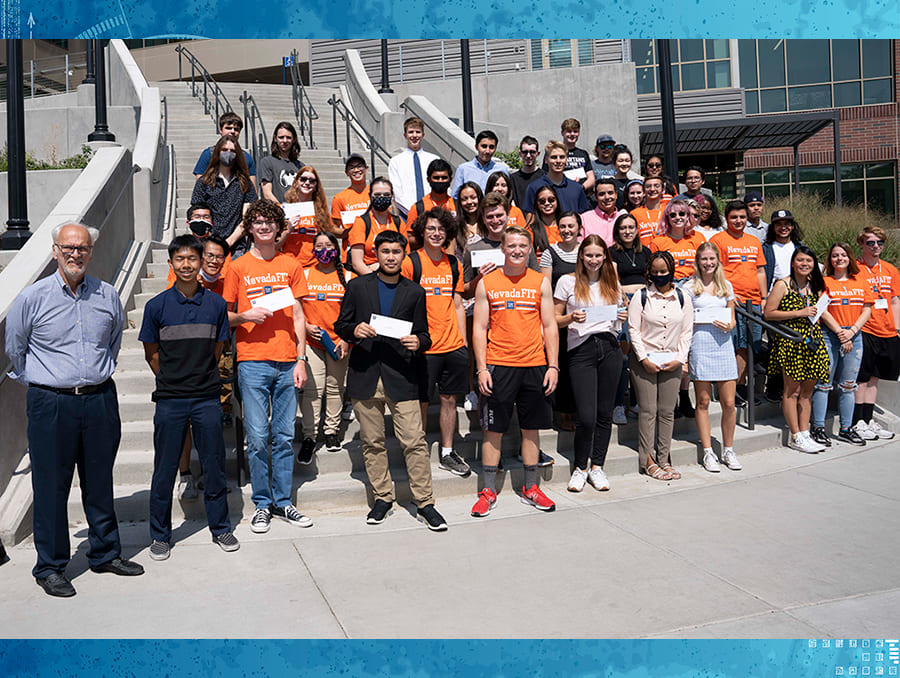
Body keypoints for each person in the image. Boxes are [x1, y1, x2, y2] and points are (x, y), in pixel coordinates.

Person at [6, 223, 144, 597]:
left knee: (99, 481)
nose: (75, 254)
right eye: (68, 247)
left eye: (82, 248)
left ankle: (105, 552)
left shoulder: (107, 295)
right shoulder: (31, 299)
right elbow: (16, 349)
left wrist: (92, 377)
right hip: (51, 403)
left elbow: (112, 344)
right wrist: (49, 380)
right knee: (50, 487)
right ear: (54, 251)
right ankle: (50, 566)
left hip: (99, 399)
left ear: (91, 252)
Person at [334, 230, 448, 531]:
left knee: (414, 441)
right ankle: (383, 499)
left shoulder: (414, 292)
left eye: (397, 252)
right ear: (376, 253)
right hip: (366, 374)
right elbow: (341, 323)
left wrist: (418, 342)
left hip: (402, 375)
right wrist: (354, 330)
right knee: (372, 442)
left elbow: (424, 333)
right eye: (385, 252)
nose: (391, 257)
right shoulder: (358, 287)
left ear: (404, 255)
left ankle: (425, 503)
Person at [140, 235, 237, 561]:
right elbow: (151, 355)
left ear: (200, 263)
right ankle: (160, 536)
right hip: (170, 399)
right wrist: (174, 379)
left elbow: (217, 349)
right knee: (164, 469)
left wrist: (198, 377)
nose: (186, 264)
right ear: (171, 264)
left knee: (213, 465)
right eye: (179, 259)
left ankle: (221, 527)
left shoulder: (215, 305)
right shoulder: (156, 307)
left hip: (207, 396)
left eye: (192, 259)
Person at [222, 200, 313, 533]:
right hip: (252, 361)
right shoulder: (237, 266)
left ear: (278, 228)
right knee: (258, 437)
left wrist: (302, 358)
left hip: (289, 360)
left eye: (269, 222)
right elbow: (225, 315)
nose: (263, 227)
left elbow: (301, 315)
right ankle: (262, 503)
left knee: (285, 436)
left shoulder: (290, 263)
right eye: (257, 222)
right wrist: (244, 316)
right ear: (250, 227)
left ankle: (283, 501)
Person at [471, 226, 559, 516]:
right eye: (512, 246)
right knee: (492, 430)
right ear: (503, 249)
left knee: (531, 429)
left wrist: (553, 365)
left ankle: (530, 487)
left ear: (531, 249)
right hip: (498, 365)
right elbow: (479, 328)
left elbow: (549, 326)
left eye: (523, 245)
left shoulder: (540, 281)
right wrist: (482, 368)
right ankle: (487, 490)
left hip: (534, 365)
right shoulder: (487, 282)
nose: (517, 250)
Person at [401, 208, 471, 478]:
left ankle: (447, 452)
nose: (436, 233)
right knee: (421, 401)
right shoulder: (411, 263)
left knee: (450, 400)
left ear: (448, 233)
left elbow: (457, 303)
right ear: (422, 231)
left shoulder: (453, 263)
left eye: (441, 229)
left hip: (452, 344)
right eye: (431, 228)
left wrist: (462, 341)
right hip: (424, 346)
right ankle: (417, 453)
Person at [554, 234, 626, 492]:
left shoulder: (611, 283)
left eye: (598, 255)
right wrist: (571, 317)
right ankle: (580, 467)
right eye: (589, 255)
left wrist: (622, 316)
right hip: (581, 350)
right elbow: (553, 319)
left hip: (609, 347)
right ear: (581, 257)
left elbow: (617, 321)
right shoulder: (566, 282)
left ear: (605, 257)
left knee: (605, 413)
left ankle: (597, 466)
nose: (594, 260)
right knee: (586, 416)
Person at [627, 251, 693, 481]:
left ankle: (664, 458)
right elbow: (633, 329)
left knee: (667, 412)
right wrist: (643, 358)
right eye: (654, 272)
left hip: (671, 359)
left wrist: (680, 359)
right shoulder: (641, 296)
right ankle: (647, 459)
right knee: (648, 411)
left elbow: (686, 331)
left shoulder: (683, 297)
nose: (659, 276)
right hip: (644, 359)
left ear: (671, 271)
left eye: (663, 272)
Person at [764, 246, 831, 454]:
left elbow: (822, 311)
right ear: (793, 262)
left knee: (807, 393)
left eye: (809, 261)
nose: (804, 264)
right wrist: (799, 312)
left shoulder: (815, 285)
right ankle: (795, 436)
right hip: (790, 341)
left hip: (813, 341)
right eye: (800, 260)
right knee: (791, 391)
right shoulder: (783, 284)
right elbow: (769, 313)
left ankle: (805, 433)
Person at [810, 242, 873, 447]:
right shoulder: (824, 282)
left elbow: (867, 310)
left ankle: (846, 428)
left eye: (843, 255)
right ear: (830, 259)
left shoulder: (860, 281)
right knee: (823, 384)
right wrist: (839, 332)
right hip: (830, 334)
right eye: (835, 255)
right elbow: (822, 310)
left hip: (854, 335)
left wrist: (852, 332)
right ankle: (818, 427)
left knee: (848, 386)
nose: (839, 259)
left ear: (850, 258)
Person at [297, 231, 354, 460]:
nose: (323, 250)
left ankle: (331, 431)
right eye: (318, 246)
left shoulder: (348, 277)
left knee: (334, 387)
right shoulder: (305, 274)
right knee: (313, 389)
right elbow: (296, 307)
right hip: (312, 341)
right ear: (312, 249)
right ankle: (310, 436)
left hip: (338, 342)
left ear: (337, 248)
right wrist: (307, 326)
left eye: (328, 245)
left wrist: (347, 339)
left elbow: (355, 312)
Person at [685, 243, 740, 472]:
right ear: (698, 261)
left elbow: (733, 318)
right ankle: (708, 451)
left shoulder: (725, 285)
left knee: (729, 403)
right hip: (701, 345)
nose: (708, 263)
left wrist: (730, 325)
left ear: (717, 260)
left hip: (723, 345)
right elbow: (686, 320)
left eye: (712, 259)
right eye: (704, 259)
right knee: (704, 402)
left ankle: (728, 449)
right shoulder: (689, 288)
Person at [711, 201, 767, 407]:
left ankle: (742, 388)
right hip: (732, 302)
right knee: (733, 347)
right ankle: (730, 390)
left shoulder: (754, 241)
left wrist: (764, 298)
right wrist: (729, 297)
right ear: (727, 218)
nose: (739, 221)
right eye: (734, 217)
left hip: (754, 303)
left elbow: (760, 271)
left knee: (749, 347)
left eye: (742, 217)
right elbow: (716, 272)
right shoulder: (719, 240)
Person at [853, 225, 900, 440]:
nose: (875, 246)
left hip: (887, 330)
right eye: (870, 242)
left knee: (875, 379)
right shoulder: (855, 269)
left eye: (879, 242)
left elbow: (894, 301)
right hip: (865, 329)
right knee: (861, 378)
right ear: (861, 244)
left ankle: (869, 420)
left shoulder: (890, 270)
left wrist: (897, 329)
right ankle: (857, 421)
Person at [541, 212, 583, 432]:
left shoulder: (586, 251)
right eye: (563, 226)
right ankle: (564, 414)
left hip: (585, 318)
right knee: (563, 365)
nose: (567, 230)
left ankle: (579, 410)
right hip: (560, 317)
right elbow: (545, 286)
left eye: (571, 226)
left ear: (579, 228)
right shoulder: (550, 253)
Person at [609, 213, 652, 424]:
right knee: (624, 354)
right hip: (624, 303)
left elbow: (650, 278)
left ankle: (637, 402)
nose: (627, 231)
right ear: (617, 231)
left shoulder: (645, 252)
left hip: (645, 303)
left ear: (637, 230)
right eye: (623, 228)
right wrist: (623, 296)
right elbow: (613, 280)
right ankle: (619, 405)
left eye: (631, 227)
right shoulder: (612, 252)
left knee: (641, 352)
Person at [190, 135, 258, 257]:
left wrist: (229, 241)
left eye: (232, 151)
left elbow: (248, 217)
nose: (228, 153)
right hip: (208, 245)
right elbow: (196, 214)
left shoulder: (245, 183)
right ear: (217, 153)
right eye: (224, 150)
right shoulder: (204, 182)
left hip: (236, 246)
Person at [348, 177, 405, 275]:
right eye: (377, 195)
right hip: (370, 275)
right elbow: (357, 263)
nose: (382, 197)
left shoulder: (398, 222)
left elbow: (405, 257)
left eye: (386, 195)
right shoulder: (361, 222)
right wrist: (377, 280)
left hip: (395, 275)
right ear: (370, 196)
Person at [280, 165, 335, 268]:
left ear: (316, 187)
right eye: (303, 179)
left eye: (312, 181)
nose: (307, 183)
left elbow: (330, 237)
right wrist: (288, 229)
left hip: (314, 266)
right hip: (288, 265)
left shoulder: (321, 212)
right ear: (296, 182)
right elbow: (275, 245)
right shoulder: (284, 210)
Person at [388, 116, 441, 218]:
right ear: (405, 135)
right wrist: (414, 212)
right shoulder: (395, 162)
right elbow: (396, 191)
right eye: (411, 132)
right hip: (406, 215)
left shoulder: (434, 159)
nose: (414, 135)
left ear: (423, 135)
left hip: (432, 213)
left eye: (418, 132)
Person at [193, 111, 257, 191]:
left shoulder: (246, 157)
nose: (232, 132)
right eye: (228, 128)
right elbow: (199, 188)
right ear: (220, 129)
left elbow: (253, 189)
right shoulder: (208, 154)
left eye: (236, 129)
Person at [523, 140, 590, 215]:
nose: (558, 161)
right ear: (546, 160)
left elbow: (583, 217)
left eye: (562, 157)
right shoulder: (534, 187)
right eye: (554, 157)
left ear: (566, 160)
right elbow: (530, 218)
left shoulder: (577, 188)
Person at [649, 199, 706, 283]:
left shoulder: (698, 237)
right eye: (673, 215)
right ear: (667, 218)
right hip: (670, 283)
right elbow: (651, 270)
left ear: (687, 217)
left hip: (694, 282)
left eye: (682, 214)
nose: (678, 217)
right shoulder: (658, 242)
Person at [541, 118, 594, 196]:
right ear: (562, 133)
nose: (572, 134)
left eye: (575, 131)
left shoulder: (583, 153)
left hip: (581, 194)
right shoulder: (554, 153)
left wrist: (580, 188)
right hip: (560, 193)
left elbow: (591, 178)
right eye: (569, 131)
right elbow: (545, 175)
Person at [450, 129, 510, 198]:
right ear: (476, 147)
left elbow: (507, 196)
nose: (487, 151)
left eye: (491, 147)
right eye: (484, 146)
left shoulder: (502, 170)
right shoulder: (463, 169)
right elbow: (455, 196)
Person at [404, 158, 457, 232]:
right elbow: (409, 236)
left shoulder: (458, 206)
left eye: (444, 178)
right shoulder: (418, 208)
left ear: (450, 180)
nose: (440, 181)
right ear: (428, 180)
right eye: (436, 178)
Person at [258, 121, 302, 204]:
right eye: (281, 137)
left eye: (288, 137)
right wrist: (282, 211)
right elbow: (267, 194)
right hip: (277, 213)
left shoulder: (300, 166)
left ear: (294, 139)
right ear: (275, 138)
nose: (285, 141)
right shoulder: (267, 162)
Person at [331, 154, 371, 233]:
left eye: (359, 166)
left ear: (366, 169)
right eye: (352, 167)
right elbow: (334, 228)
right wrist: (350, 233)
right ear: (346, 172)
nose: (356, 170)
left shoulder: (376, 194)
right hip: (351, 244)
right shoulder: (339, 198)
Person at [580, 177, 626, 245]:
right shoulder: (584, 219)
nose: (607, 197)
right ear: (595, 197)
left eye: (610, 193)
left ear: (616, 195)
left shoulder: (624, 218)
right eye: (602, 194)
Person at [526, 184, 563, 256]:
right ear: (537, 204)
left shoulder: (565, 227)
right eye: (542, 201)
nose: (547, 203)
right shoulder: (531, 230)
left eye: (551, 200)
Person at [509, 135, 544, 207]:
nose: (528, 155)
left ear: (538, 154)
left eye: (532, 152)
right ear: (520, 153)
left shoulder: (545, 177)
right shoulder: (512, 179)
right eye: (525, 152)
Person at [631, 176, 665, 245]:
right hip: (644, 253)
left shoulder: (668, 211)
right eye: (648, 186)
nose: (652, 189)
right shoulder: (635, 214)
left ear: (663, 190)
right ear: (643, 191)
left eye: (656, 186)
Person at [454, 181, 484, 255]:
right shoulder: (454, 226)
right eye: (464, 199)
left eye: (473, 197)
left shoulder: (489, 223)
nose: (469, 202)